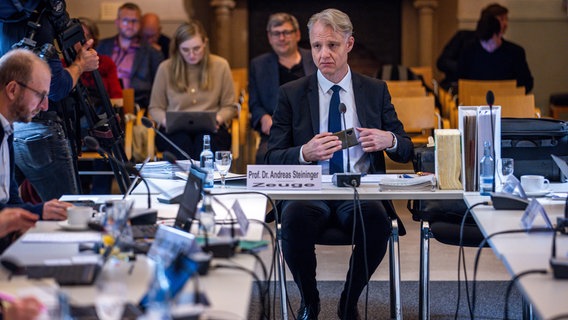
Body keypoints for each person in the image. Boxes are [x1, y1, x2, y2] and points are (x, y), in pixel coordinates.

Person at [265, 8, 413, 320]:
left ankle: (349, 300)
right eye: (317, 46)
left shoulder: (374, 90)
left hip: (358, 189)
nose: (324, 54)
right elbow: (271, 157)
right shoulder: (291, 94)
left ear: (349, 44)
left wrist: (390, 140)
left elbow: (406, 148)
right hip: (310, 189)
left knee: (376, 221)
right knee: (292, 218)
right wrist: (305, 152)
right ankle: (310, 301)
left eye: (332, 45)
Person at [0, 1, 100, 201]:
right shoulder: (37, 18)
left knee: (10, 200)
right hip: (38, 129)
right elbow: (56, 88)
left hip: (11, 125)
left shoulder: (5, 17)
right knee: (68, 210)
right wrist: (81, 64)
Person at [0, 49, 72, 252]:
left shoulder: (7, 129)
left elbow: (10, 202)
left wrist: (42, 210)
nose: (45, 106)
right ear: (13, 90)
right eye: (41, 95)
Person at [148, 21, 237, 160]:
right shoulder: (165, 68)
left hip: (212, 129)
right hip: (175, 131)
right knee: (181, 142)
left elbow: (230, 106)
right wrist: (166, 121)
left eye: (197, 48)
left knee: (205, 142)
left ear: (205, 44)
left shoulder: (221, 66)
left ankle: (205, 180)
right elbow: (155, 107)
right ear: (177, 48)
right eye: (185, 50)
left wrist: (218, 119)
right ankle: (182, 181)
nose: (191, 54)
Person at [249, 12, 316, 164]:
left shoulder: (315, 59)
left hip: (312, 129)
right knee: (264, 157)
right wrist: (263, 118)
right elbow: (254, 103)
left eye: (286, 32)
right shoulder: (258, 65)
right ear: (269, 37)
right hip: (277, 130)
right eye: (276, 33)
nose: (281, 38)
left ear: (297, 34)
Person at [77, 17, 123, 195]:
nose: (80, 43)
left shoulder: (104, 62)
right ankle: (79, 194)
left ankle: (100, 195)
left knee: (106, 133)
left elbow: (117, 98)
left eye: (84, 37)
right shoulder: (64, 64)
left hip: (99, 119)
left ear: (92, 39)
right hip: (74, 123)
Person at [97, 2, 164, 109]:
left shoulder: (152, 53)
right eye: (125, 20)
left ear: (140, 24)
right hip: (104, 105)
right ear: (117, 22)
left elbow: (160, 88)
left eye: (135, 21)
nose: (130, 25)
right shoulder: (101, 46)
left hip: (138, 106)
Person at [436, 3, 511, 92]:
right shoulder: (463, 38)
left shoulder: (508, 49)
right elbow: (442, 62)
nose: (505, 24)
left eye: (506, 19)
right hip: (461, 88)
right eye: (502, 19)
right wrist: (466, 68)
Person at [458, 12, 533, 93]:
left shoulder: (515, 52)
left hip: (507, 101)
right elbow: (460, 82)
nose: (488, 46)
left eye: (491, 42)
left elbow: (527, 83)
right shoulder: (469, 51)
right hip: (475, 102)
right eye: (484, 42)